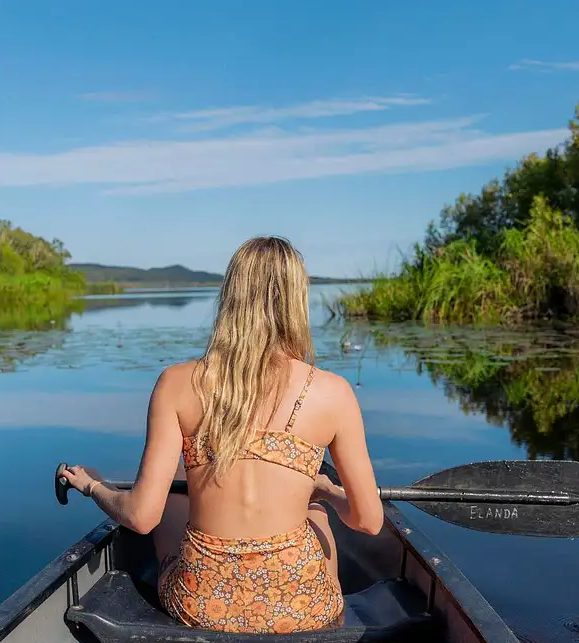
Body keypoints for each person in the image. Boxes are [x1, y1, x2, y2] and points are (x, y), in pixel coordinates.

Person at [59, 235, 385, 634]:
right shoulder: (334, 392)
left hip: (204, 605)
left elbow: (141, 517)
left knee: (171, 502)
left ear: (231, 296)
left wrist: (94, 486)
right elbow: (369, 520)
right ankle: (328, 625)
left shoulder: (176, 383)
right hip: (304, 607)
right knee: (316, 512)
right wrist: (327, 492)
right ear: (297, 300)